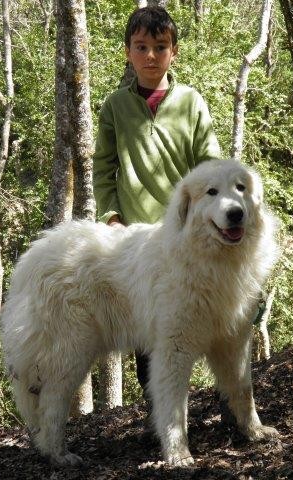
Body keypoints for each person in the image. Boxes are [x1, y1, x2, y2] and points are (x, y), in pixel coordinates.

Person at [93, 6, 221, 405]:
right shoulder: (115, 106)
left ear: (174, 52)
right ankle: (158, 418)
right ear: (128, 52)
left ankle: (224, 406)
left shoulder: (191, 102)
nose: (151, 55)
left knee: (206, 318)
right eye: (141, 46)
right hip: (137, 242)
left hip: (188, 236)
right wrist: (111, 217)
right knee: (150, 330)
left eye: (160, 47)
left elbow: (210, 165)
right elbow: (103, 168)